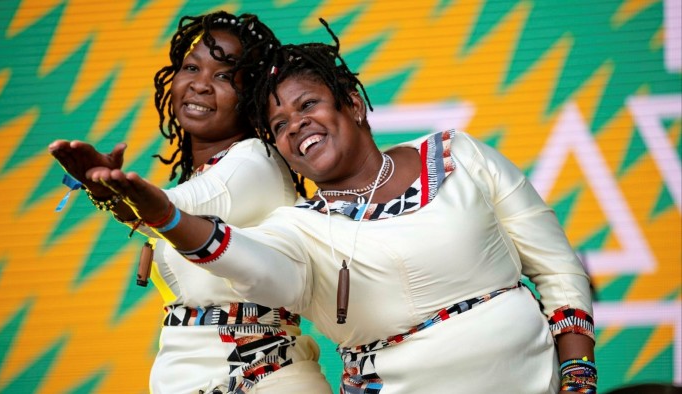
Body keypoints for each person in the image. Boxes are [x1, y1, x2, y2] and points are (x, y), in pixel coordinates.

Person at [88, 20, 597, 393]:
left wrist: (578, 381)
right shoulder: (299, 228)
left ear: (351, 103)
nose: (296, 126)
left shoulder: (458, 155)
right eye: (280, 125)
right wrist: (164, 217)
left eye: (307, 105)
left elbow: (557, 270)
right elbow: (248, 260)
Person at [48, 11, 331, 394]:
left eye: (223, 75)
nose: (200, 85)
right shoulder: (212, 170)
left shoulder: (254, 160)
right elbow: (172, 213)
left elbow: (183, 206)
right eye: (191, 67)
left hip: (263, 381)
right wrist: (107, 193)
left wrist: (117, 192)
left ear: (252, 95)